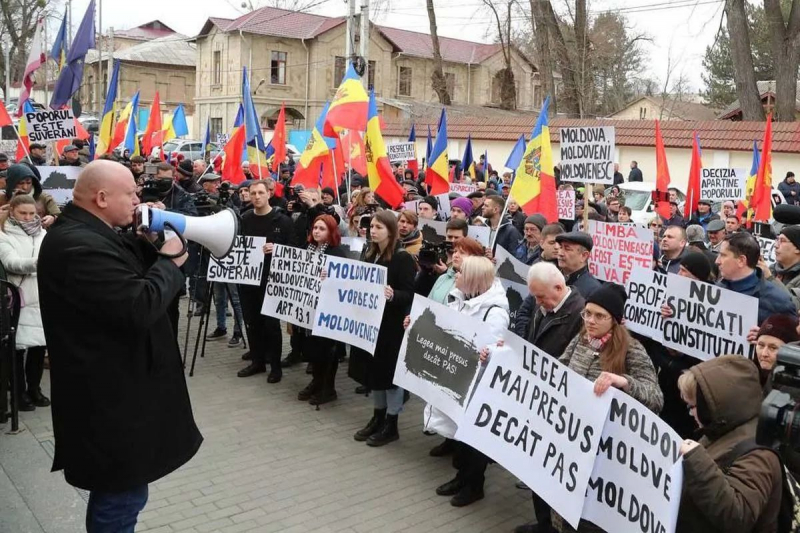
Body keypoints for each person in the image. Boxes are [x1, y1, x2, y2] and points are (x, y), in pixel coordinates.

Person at [37, 160, 202, 530]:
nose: (137, 199)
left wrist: (149, 241)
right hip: (108, 404)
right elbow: (138, 305)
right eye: (130, 193)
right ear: (101, 197)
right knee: (119, 498)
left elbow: (125, 269)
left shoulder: (89, 233)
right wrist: (171, 259)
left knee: (125, 494)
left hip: (114, 397)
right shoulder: (77, 245)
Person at [550, 283, 663, 533]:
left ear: (615, 320)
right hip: (569, 435)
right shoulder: (582, 338)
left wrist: (623, 381)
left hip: (604, 449)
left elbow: (655, 397)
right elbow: (559, 367)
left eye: (599, 316)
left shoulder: (632, 350)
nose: (590, 320)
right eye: (587, 313)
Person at [426, 256, 509, 507]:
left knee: (473, 440)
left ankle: (474, 486)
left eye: (460, 272)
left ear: (473, 278)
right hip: (458, 379)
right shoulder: (460, 300)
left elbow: (494, 351)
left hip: (478, 386)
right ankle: (461, 478)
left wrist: (486, 354)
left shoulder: (495, 313)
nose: (456, 276)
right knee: (460, 436)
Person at [513, 261, 585, 533]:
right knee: (537, 467)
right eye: (534, 296)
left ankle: (552, 526)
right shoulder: (544, 304)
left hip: (559, 405)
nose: (537, 302)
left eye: (541, 296)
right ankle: (543, 522)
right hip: (539, 398)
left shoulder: (580, 314)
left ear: (559, 287)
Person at [675, 355, 782, 532]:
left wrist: (696, 460)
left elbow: (738, 515)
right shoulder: (722, 429)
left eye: (693, 407)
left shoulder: (759, 454)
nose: (691, 414)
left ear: (713, 406)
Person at [350, 210, 416, 446]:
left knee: (390, 376)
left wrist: (393, 295)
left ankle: (391, 422)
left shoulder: (402, 258)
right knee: (374, 372)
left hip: (391, 327)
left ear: (390, 230)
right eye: (372, 227)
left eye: (379, 227)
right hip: (371, 324)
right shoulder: (369, 254)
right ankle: (377, 416)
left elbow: (409, 293)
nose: (373, 231)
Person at [237, 180, 294, 382]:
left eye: (261, 192)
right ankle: (257, 361)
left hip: (273, 281)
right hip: (249, 280)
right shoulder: (244, 219)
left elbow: (295, 250)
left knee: (271, 324)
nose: (257, 197)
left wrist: (277, 250)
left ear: (269, 194)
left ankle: (276, 367)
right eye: (253, 193)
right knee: (253, 322)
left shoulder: (283, 221)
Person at [0, 195, 48, 412]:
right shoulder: (3, 235)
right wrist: (43, 262)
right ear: (12, 212)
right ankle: (18, 394)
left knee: (39, 348)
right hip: (19, 300)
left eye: (32, 213)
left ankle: (35, 389)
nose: (28, 218)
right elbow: (11, 263)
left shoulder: (44, 234)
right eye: (23, 213)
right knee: (17, 351)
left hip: (42, 297)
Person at [296, 215, 346, 405]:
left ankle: (328, 388)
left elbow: (344, 282)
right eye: (315, 228)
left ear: (331, 232)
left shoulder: (337, 253)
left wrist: (331, 276)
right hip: (309, 308)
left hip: (328, 310)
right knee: (313, 349)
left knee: (326, 350)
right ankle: (316, 382)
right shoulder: (306, 250)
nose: (316, 231)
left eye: (322, 229)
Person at [717, 232, 796, 324]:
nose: (717, 261)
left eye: (723, 255)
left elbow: (791, 336)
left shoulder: (778, 302)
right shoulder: (715, 291)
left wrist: (764, 334)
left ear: (741, 260)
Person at [1, 163, 60, 228]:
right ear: (12, 183)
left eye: (28, 183)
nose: (25, 187)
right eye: (21, 183)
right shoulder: (2, 198)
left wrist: (53, 218)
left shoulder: (44, 198)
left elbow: (60, 216)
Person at [555, 231, 601, 298]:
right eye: (560, 247)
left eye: (567, 249)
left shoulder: (593, 290)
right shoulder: (552, 279)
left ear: (584, 256)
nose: (560, 253)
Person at [769, 225, 800, 311]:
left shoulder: (768, 274)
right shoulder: (771, 269)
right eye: (777, 240)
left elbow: (794, 306)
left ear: (797, 248)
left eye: (782, 241)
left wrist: (769, 279)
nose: (776, 245)